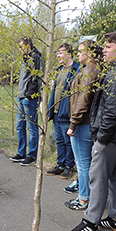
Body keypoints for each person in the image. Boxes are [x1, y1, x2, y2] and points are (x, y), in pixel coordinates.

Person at [67, 31, 116, 231]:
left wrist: (102, 138)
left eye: (108, 47)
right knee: (115, 176)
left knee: (97, 177)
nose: (103, 50)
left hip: (110, 138)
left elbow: (112, 112)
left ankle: (91, 221)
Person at [64, 39, 101, 210]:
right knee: (89, 164)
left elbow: (83, 100)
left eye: (80, 51)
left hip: (82, 124)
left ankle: (84, 198)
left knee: (83, 164)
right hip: (88, 123)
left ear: (90, 53)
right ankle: (90, 197)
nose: (78, 54)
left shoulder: (89, 72)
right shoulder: (95, 69)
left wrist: (73, 124)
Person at [47, 43, 80, 179]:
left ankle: (69, 166)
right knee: (59, 140)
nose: (58, 55)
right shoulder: (59, 70)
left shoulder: (77, 69)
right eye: (57, 53)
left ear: (69, 53)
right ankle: (60, 165)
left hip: (66, 111)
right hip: (56, 111)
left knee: (68, 141)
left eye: (61, 52)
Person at [9, 37, 44, 166]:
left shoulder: (36, 58)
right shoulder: (26, 59)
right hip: (21, 97)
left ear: (28, 45)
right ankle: (21, 152)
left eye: (21, 46)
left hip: (30, 98)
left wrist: (30, 95)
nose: (20, 49)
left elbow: (38, 77)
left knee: (31, 127)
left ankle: (32, 155)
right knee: (20, 126)